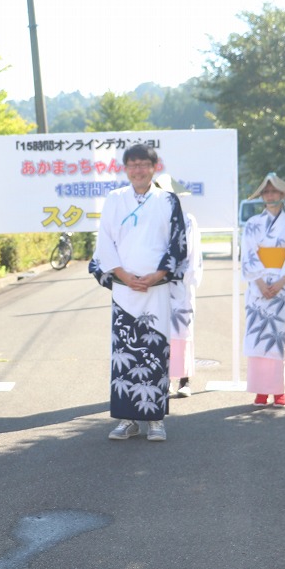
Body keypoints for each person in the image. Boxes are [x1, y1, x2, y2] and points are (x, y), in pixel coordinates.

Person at [89, 144, 187, 442]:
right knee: (125, 354)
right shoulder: (114, 199)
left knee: (155, 352)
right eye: (132, 165)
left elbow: (178, 242)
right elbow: (105, 241)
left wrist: (158, 274)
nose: (138, 170)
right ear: (125, 169)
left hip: (156, 289)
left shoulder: (167, 200)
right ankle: (127, 420)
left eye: (144, 164)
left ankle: (155, 420)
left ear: (155, 167)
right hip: (125, 291)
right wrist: (122, 275)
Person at [241, 172, 285, 407]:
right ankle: (260, 390)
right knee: (258, 338)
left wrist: (281, 282)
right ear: (262, 196)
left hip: (282, 285)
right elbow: (248, 254)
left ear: (282, 194)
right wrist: (259, 281)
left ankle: (279, 390)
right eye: (266, 192)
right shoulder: (252, 224)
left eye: (274, 191)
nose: (270, 196)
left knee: (279, 338)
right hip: (258, 287)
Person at [155, 174, 203, 398]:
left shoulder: (188, 220)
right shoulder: (152, 221)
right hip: (157, 284)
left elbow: (193, 254)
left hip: (180, 284)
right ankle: (163, 379)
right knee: (160, 332)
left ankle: (184, 380)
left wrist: (186, 278)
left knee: (183, 332)